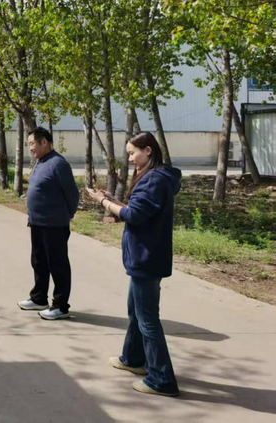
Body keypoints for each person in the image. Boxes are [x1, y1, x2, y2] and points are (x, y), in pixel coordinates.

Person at [86, 132, 181, 398]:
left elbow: (135, 215)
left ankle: (162, 379)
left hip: (146, 257)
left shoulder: (154, 179)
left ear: (148, 150)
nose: (130, 158)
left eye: (132, 153)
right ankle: (133, 358)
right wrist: (114, 201)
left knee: (147, 319)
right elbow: (138, 210)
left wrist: (104, 202)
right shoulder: (155, 176)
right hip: (145, 256)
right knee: (135, 312)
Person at [18, 127, 79, 321]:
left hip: (54, 225)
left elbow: (72, 194)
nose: (30, 148)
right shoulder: (41, 161)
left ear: (44, 142)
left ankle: (60, 306)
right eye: (28, 144)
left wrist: (68, 214)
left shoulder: (58, 163)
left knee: (58, 265)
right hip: (37, 223)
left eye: (32, 144)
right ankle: (39, 298)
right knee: (39, 262)